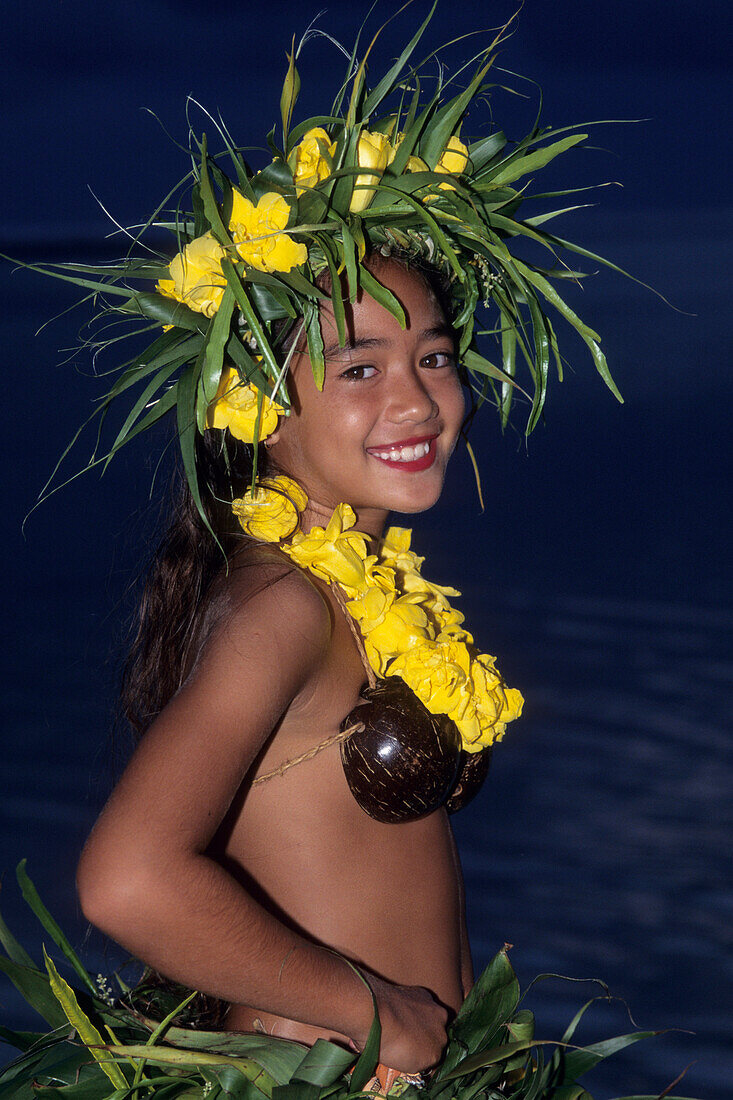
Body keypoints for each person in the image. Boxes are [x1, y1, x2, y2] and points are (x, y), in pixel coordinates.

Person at [16, 9, 623, 1089]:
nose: (415, 399)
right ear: (256, 405)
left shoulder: (362, 592)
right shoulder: (285, 605)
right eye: (358, 369)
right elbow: (126, 878)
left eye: (433, 357)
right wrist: (369, 1006)